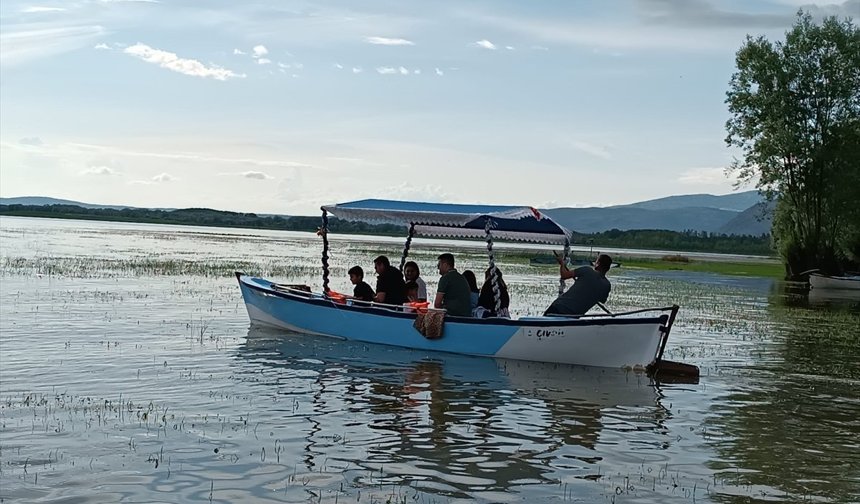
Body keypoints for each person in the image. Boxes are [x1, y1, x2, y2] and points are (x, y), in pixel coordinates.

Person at [544, 253, 612, 316]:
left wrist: (562, 263)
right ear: (608, 268)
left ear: (598, 264)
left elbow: (564, 275)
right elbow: (602, 300)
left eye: (596, 262)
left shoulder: (587, 270)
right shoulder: (607, 285)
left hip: (559, 307)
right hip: (574, 315)